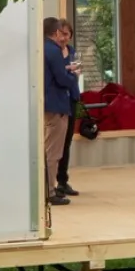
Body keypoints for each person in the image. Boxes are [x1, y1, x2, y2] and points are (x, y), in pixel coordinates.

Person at [42, 17, 77, 207]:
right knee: (53, 152)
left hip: (46, 104)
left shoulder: (41, 48)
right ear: (56, 32)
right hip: (57, 105)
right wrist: (72, 74)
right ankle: (49, 191)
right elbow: (62, 80)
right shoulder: (54, 50)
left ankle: (46, 188)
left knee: (47, 148)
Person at [55, 21, 82, 198]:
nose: (63, 38)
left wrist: (72, 72)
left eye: (67, 34)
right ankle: (51, 182)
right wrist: (68, 70)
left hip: (72, 97)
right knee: (56, 143)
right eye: (61, 33)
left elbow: (76, 72)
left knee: (67, 142)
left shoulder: (72, 52)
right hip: (58, 101)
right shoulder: (52, 52)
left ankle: (63, 180)